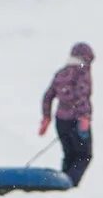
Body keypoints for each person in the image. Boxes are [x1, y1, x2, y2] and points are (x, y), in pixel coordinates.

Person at [38, 42, 96, 186]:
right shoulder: (82, 71)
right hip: (78, 121)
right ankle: (68, 184)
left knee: (69, 155)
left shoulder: (61, 72)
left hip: (61, 121)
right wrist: (84, 117)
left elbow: (48, 95)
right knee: (83, 156)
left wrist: (46, 117)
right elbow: (81, 94)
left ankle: (61, 182)